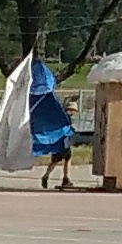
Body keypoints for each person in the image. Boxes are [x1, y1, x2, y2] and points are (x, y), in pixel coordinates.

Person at [30, 60, 77, 189]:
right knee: (64, 159)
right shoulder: (63, 117)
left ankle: (52, 176)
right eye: (73, 110)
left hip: (61, 141)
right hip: (62, 141)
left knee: (59, 160)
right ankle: (63, 178)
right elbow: (63, 128)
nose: (74, 113)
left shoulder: (61, 114)